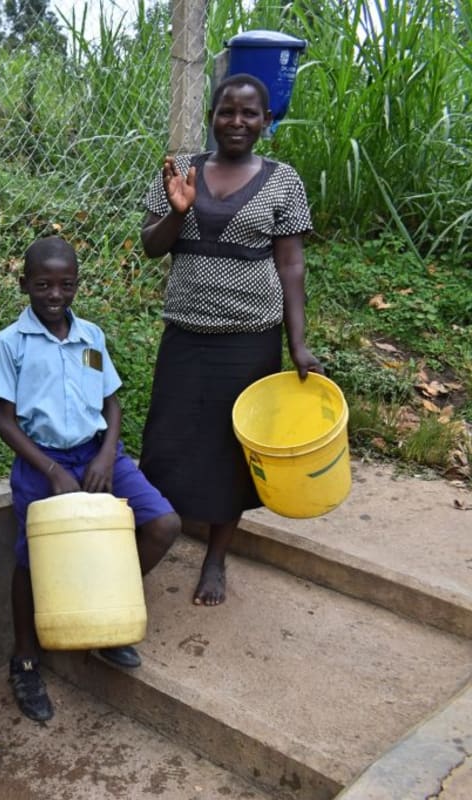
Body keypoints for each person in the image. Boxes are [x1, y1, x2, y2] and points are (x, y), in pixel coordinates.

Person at [139, 73, 323, 608]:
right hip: (186, 334)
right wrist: (178, 211)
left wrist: (298, 343)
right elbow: (152, 247)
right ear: (212, 115)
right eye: (226, 111)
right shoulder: (180, 170)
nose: (236, 122)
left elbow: (290, 265)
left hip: (249, 341)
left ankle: (216, 557)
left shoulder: (283, 181)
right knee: (166, 444)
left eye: (249, 114)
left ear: (267, 121)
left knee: (232, 452)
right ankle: (152, 536)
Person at [0, 236, 181, 722]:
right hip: (41, 461)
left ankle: (103, 614)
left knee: (163, 524)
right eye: (43, 285)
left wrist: (108, 454)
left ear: (77, 284)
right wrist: (50, 470)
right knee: (33, 559)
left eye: (66, 284)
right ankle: (25, 659)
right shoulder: (11, 344)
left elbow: (111, 401)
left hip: (96, 454)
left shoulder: (91, 336)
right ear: (24, 284)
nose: (55, 294)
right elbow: (5, 421)